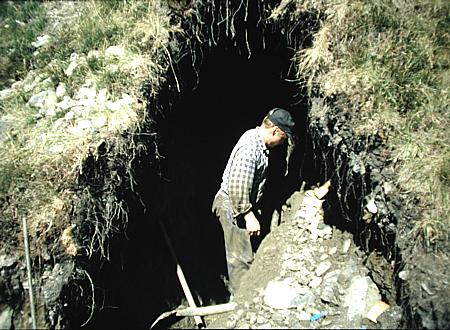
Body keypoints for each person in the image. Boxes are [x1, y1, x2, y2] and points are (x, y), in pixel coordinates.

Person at [212, 107, 295, 296]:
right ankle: (241, 300)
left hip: (235, 204)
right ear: (276, 131)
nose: (282, 143)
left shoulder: (255, 140)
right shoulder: (250, 147)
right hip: (231, 205)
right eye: (283, 138)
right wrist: (248, 215)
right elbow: (237, 186)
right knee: (240, 258)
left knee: (242, 251)